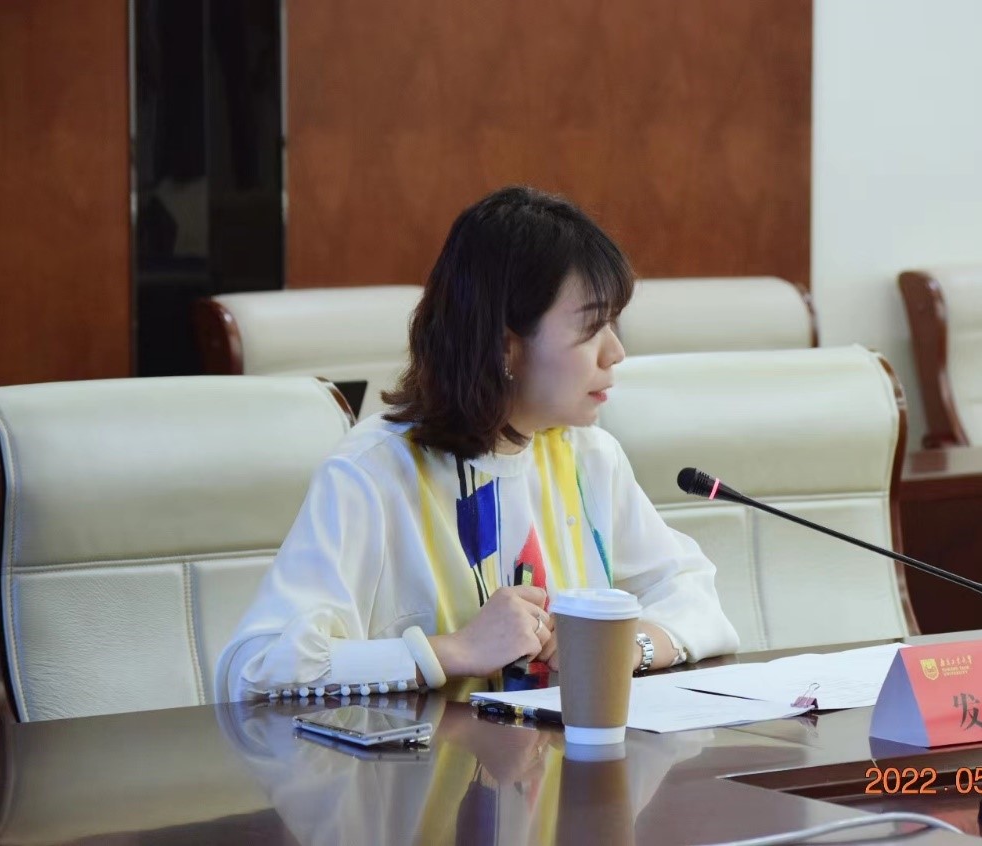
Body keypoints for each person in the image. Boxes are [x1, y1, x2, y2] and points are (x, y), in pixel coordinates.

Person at [216, 186, 739, 702]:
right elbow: (257, 669)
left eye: (614, 324)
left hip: (565, 756)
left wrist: (632, 647)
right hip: (422, 758)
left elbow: (690, 591)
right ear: (506, 346)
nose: (616, 352)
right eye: (592, 326)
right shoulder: (373, 471)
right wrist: (453, 650)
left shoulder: (589, 457)